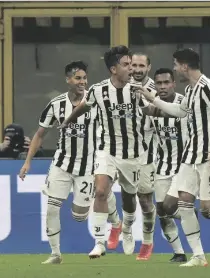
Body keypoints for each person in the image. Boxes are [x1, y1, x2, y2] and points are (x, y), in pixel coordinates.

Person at [135, 48, 210, 267]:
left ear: (183, 65)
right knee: (172, 204)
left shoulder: (208, 87)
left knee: (208, 210)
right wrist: (154, 99)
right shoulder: (190, 90)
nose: (174, 69)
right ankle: (198, 256)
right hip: (190, 156)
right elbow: (180, 111)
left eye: (175, 65)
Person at [18, 61, 115, 264]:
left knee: (79, 216)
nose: (82, 82)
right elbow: (40, 134)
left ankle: (109, 203)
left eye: (84, 78)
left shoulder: (95, 101)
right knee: (52, 207)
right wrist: (28, 162)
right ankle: (55, 254)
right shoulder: (56, 104)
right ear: (68, 80)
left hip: (88, 167)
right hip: (61, 165)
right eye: (77, 78)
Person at [58, 46, 150, 258]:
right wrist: (67, 121)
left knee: (129, 199)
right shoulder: (98, 90)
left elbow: (151, 108)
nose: (131, 68)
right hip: (106, 149)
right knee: (100, 191)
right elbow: (83, 106)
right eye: (126, 64)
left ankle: (125, 228)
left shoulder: (138, 89)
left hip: (132, 154)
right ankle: (99, 243)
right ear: (113, 69)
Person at [120, 52, 157, 260]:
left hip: (146, 152)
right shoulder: (121, 86)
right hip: (123, 150)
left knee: (145, 198)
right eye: (134, 65)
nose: (137, 69)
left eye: (141, 65)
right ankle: (126, 228)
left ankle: (147, 241)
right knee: (126, 194)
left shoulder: (154, 89)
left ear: (148, 67)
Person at [151, 68, 188, 263]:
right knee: (162, 212)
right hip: (162, 165)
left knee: (169, 205)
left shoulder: (185, 103)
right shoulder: (151, 103)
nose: (163, 87)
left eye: (166, 82)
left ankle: (189, 215)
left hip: (184, 165)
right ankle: (179, 252)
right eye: (159, 83)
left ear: (174, 83)